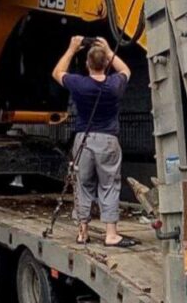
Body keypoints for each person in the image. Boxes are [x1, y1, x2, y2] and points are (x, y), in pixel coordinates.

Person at [52, 36, 137, 248]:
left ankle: (83, 232)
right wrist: (109, 51)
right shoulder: (114, 85)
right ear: (106, 63)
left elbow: (57, 73)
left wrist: (71, 49)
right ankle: (111, 234)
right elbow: (126, 70)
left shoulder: (79, 84)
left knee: (83, 185)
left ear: (87, 64)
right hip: (108, 140)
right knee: (109, 185)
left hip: (84, 140)